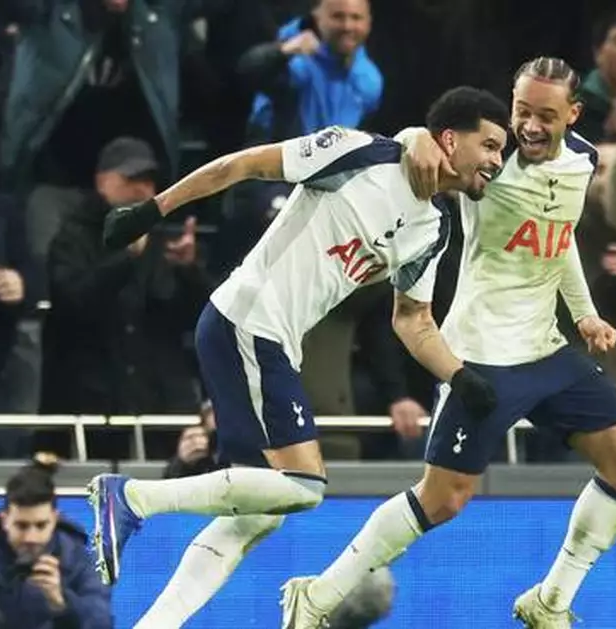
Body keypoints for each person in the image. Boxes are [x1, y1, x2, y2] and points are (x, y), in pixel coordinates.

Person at [85, 85, 509, 629]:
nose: (497, 161)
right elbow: (243, 165)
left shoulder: (434, 229)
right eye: (491, 145)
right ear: (450, 139)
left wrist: (461, 377)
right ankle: (131, 498)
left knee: (258, 516)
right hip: (247, 320)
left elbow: (412, 320)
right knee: (304, 488)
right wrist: (153, 208)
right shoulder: (360, 151)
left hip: (275, 342)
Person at [282, 57, 616, 629]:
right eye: (521, 110)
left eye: (545, 116)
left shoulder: (583, 160)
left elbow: (563, 233)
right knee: (442, 500)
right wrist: (414, 136)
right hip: (480, 355)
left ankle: (550, 601)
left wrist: (584, 315)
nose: (528, 126)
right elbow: (421, 147)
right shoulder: (489, 165)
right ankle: (319, 596)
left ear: (574, 115)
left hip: (548, 349)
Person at [0, 462, 112, 629]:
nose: (31, 537)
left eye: (41, 525)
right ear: (5, 520)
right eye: (22, 525)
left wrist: (62, 602)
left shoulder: (79, 561)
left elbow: (103, 623)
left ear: (55, 519)